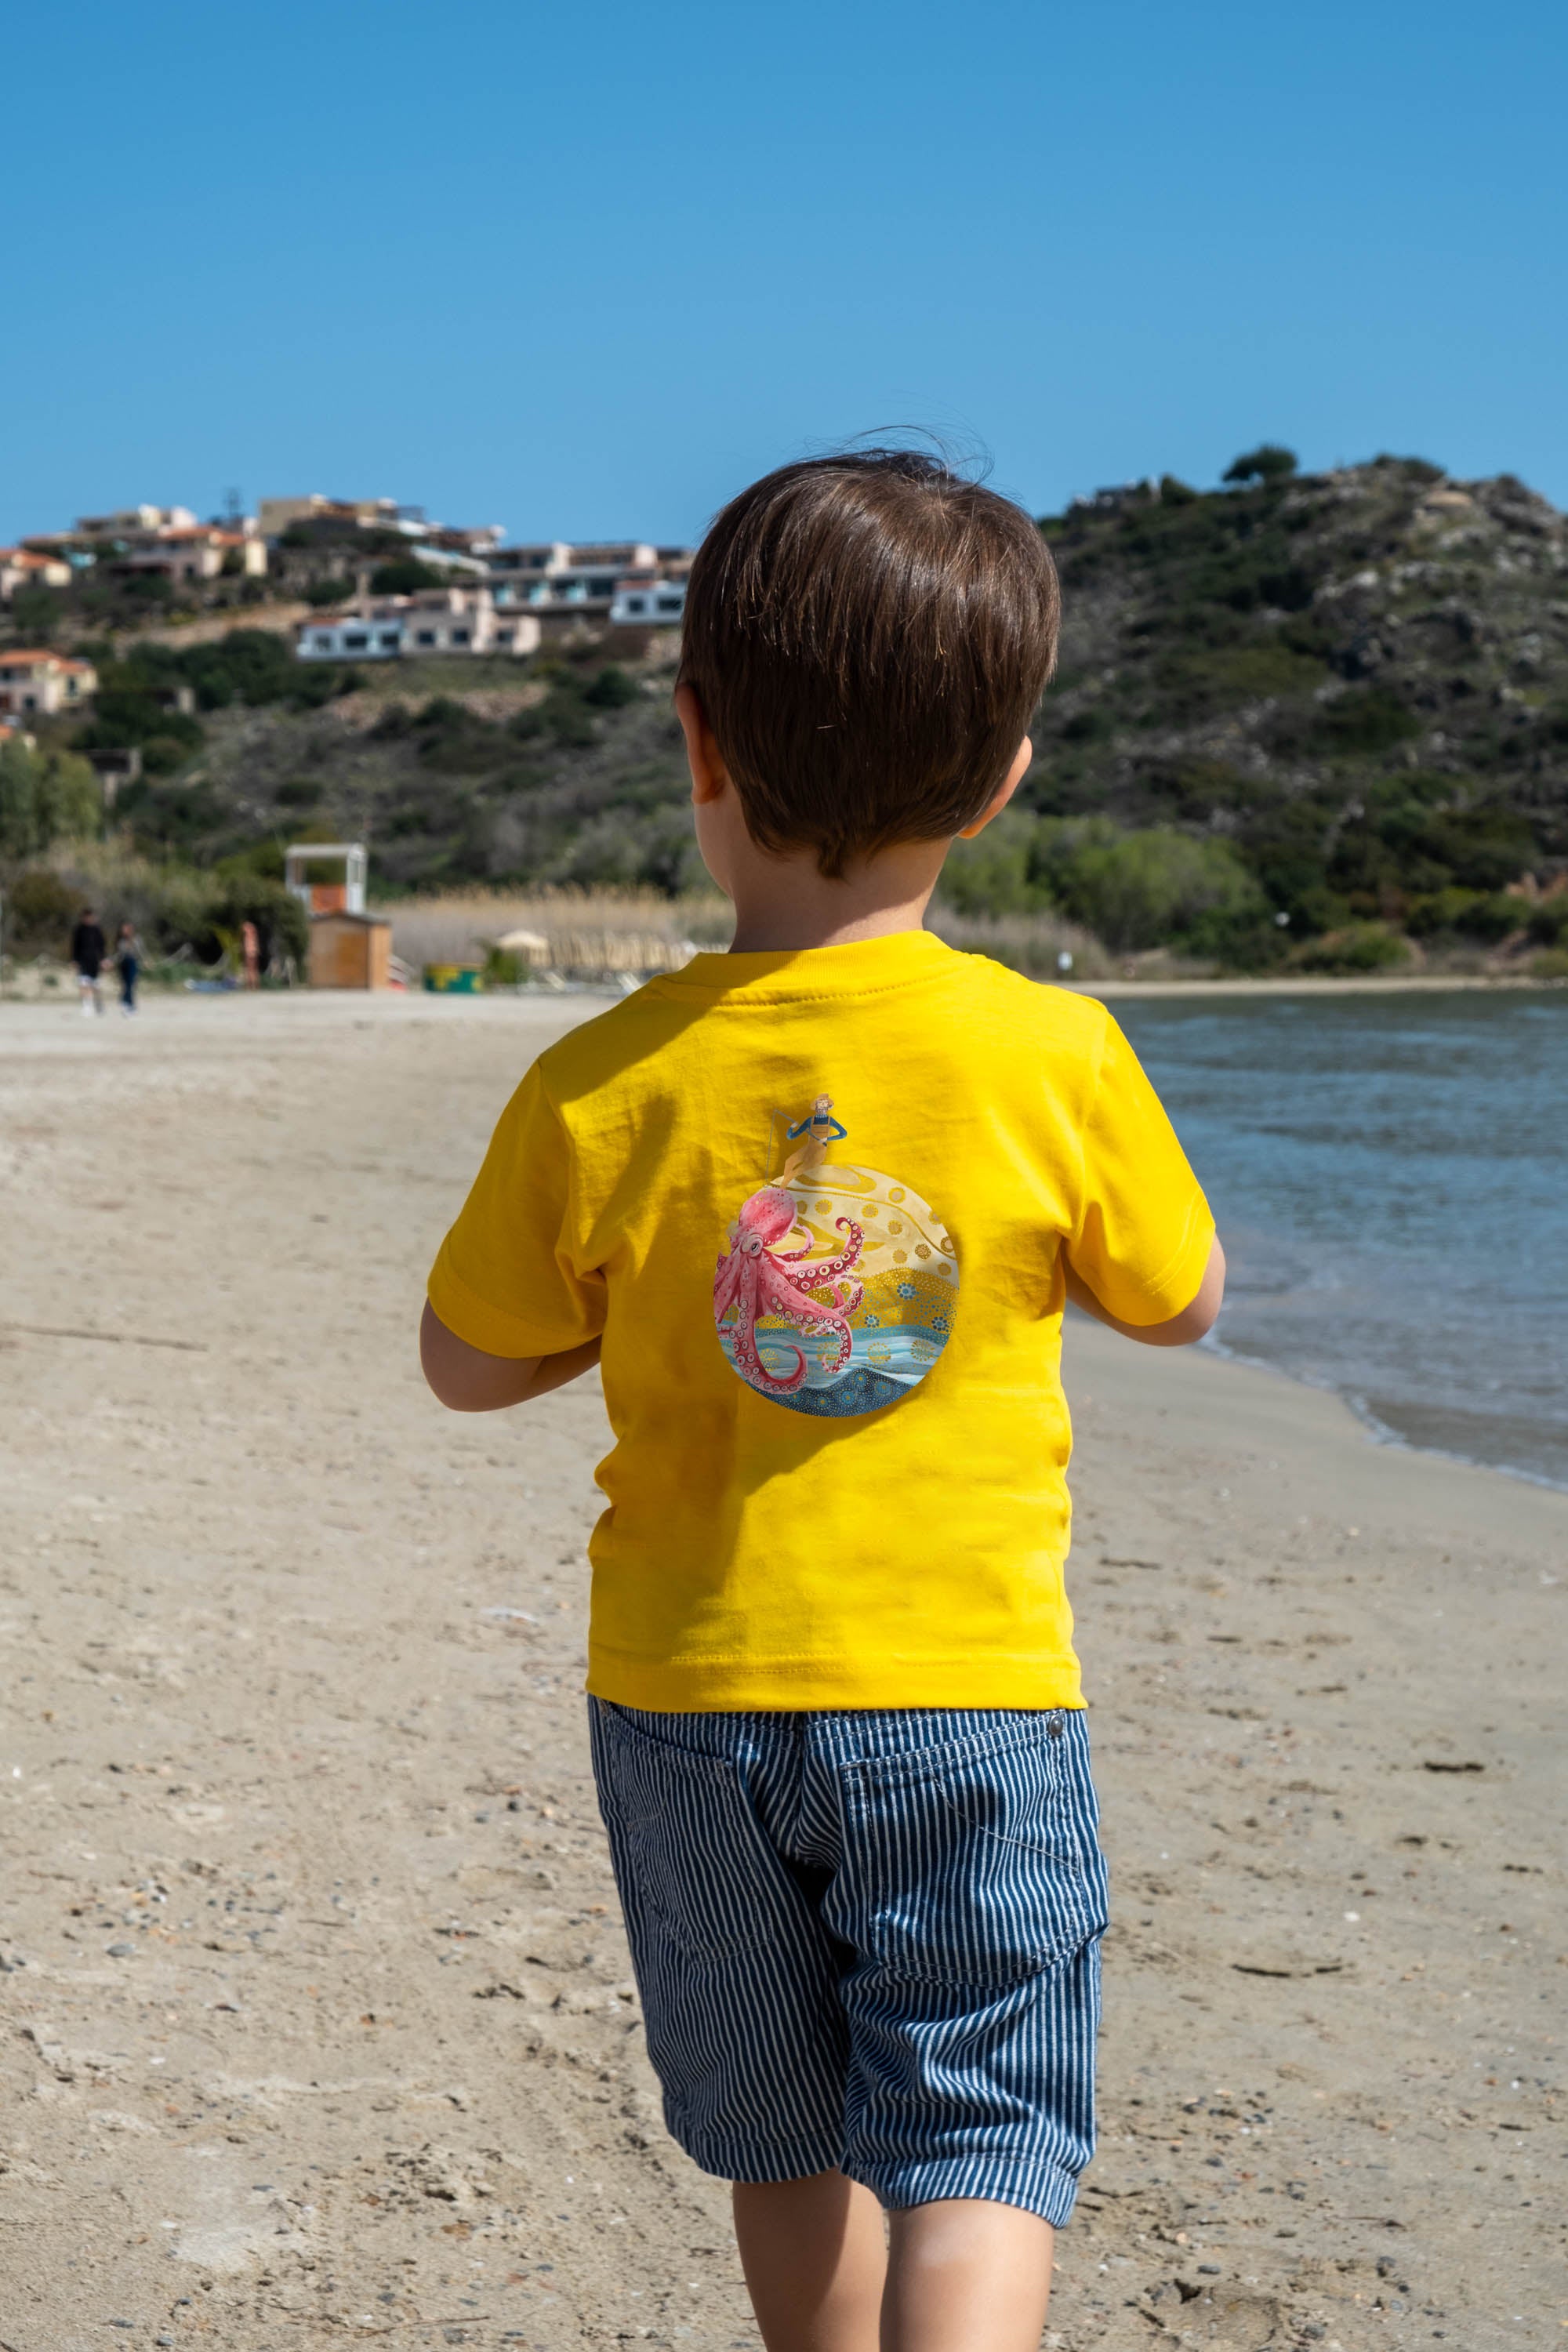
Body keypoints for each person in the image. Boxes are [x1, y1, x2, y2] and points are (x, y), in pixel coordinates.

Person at [420, 452, 1225, 2352]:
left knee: (779, 2129)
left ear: (695, 739)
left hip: (689, 1696)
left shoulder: (602, 1080)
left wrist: (623, 1316)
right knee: (981, 2126)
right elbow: (1179, 1302)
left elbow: (464, 1363)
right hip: (965, 1690)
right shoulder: (1054, 1052)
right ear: (1002, 776)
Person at [70, 906, 106, 1016]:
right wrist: (74, 960)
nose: (88, 919)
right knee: (83, 983)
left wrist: (103, 960)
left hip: (94, 962)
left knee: (95, 985)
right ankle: (86, 1006)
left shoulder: (97, 930)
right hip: (82, 961)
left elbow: (101, 947)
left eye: (90, 917)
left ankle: (98, 1004)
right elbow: (75, 946)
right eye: (85, 917)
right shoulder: (78, 930)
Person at [114, 918, 142, 1016]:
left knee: (131, 984)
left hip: (133, 962)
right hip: (123, 963)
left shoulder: (136, 939)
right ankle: (126, 1002)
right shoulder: (121, 941)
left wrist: (145, 961)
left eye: (126, 929)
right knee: (125, 984)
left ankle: (130, 1004)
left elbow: (141, 952)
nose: (124, 931)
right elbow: (119, 955)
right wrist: (111, 961)